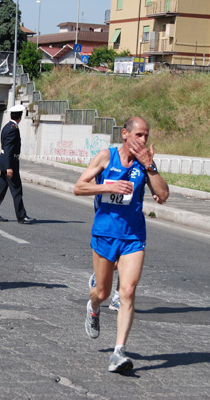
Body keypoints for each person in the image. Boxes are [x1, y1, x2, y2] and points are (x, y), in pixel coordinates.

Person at [73, 116, 168, 373]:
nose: (143, 140)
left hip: (134, 237)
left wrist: (151, 166)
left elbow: (163, 195)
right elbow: (79, 187)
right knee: (102, 293)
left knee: (127, 292)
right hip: (104, 234)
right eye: (139, 135)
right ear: (125, 134)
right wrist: (108, 186)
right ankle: (92, 307)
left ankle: (118, 353)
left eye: (147, 136)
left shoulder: (144, 163)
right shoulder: (106, 156)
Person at [0, 104, 36, 224]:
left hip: (5, 162)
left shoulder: (7, 126)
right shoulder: (13, 128)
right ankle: (21, 216)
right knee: (17, 191)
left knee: (0, 190)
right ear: (20, 116)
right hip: (10, 164)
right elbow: (9, 149)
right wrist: (9, 167)